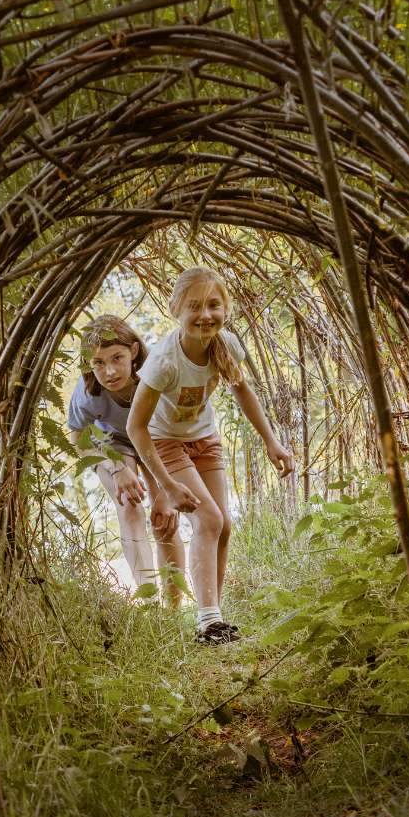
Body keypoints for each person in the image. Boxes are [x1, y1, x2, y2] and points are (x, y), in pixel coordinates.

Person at [128, 266, 297, 644]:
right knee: (208, 519)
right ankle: (207, 621)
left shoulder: (226, 345)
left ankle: (213, 620)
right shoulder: (164, 361)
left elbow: (243, 393)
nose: (205, 314)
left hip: (205, 439)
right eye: (194, 306)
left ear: (226, 308)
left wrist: (272, 441)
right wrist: (166, 486)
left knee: (223, 526)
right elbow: (135, 428)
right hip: (165, 442)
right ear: (176, 310)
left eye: (214, 305)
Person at [67, 315, 185, 605]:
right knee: (129, 506)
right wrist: (116, 467)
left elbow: (182, 428)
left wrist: (166, 490)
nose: (108, 371)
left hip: (157, 439)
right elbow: (78, 440)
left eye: (116, 358)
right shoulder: (86, 396)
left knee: (165, 518)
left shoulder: (157, 375)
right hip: (114, 445)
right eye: (98, 363)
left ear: (133, 352)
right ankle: (149, 603)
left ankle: (173, 607)